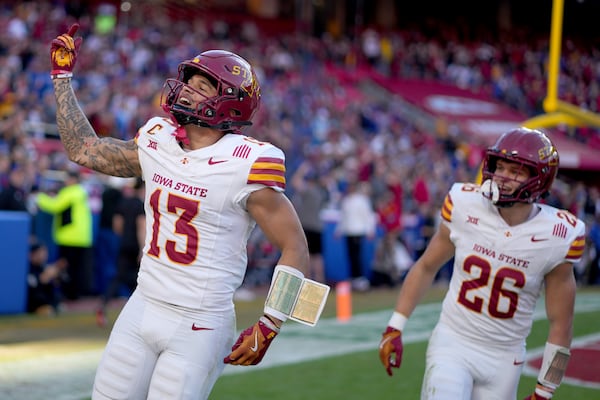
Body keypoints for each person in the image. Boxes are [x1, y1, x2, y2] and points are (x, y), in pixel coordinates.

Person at [50, 24, 310, 400]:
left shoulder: (247, 162)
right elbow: (84, 149)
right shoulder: (158, 140)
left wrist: (271, 323)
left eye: (202, 86)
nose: (187, 88)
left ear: (231, 102)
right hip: (142, 305)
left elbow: (296, 247)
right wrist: (62, 78)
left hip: (200, 323)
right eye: (189, 81)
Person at [378, 127, 585, 400]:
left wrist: (546, 390)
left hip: (505, 358)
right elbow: (426, 266)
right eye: (500, 167)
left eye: (515, 171)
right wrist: (394, 326)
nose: (502, 178)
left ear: (539, 179)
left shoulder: (558, 235)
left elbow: (562, 323)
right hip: (454, 343)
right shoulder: (465, 204)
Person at [36, 168, 94, 300]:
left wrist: (39, 197)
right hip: (81, 237)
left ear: (73, 180)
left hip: (69, 237)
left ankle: (69, 295)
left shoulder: (71, 192)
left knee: (66, 268)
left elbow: (55, 206)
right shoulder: (81, 192)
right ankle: (75, 294)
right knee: (76, 268)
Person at [96, 178, 145, 327]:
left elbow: (117, 225)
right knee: (142, 281)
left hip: (123, 244)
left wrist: (124, 237)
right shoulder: (140, 205)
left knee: (118, 277)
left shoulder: (123, 203)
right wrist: (142, 249)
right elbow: (141, 228)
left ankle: (103, 305)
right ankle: (139, 314)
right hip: (135, 246)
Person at [291, 160, 328, 283]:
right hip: (318, 227)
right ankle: (319, 281)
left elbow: (295, 182)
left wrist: (301, 170)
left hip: (307, 226)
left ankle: (307, 281)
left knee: (306, 256)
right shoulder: (321, 193)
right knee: (317, 257)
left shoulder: (309, 191)